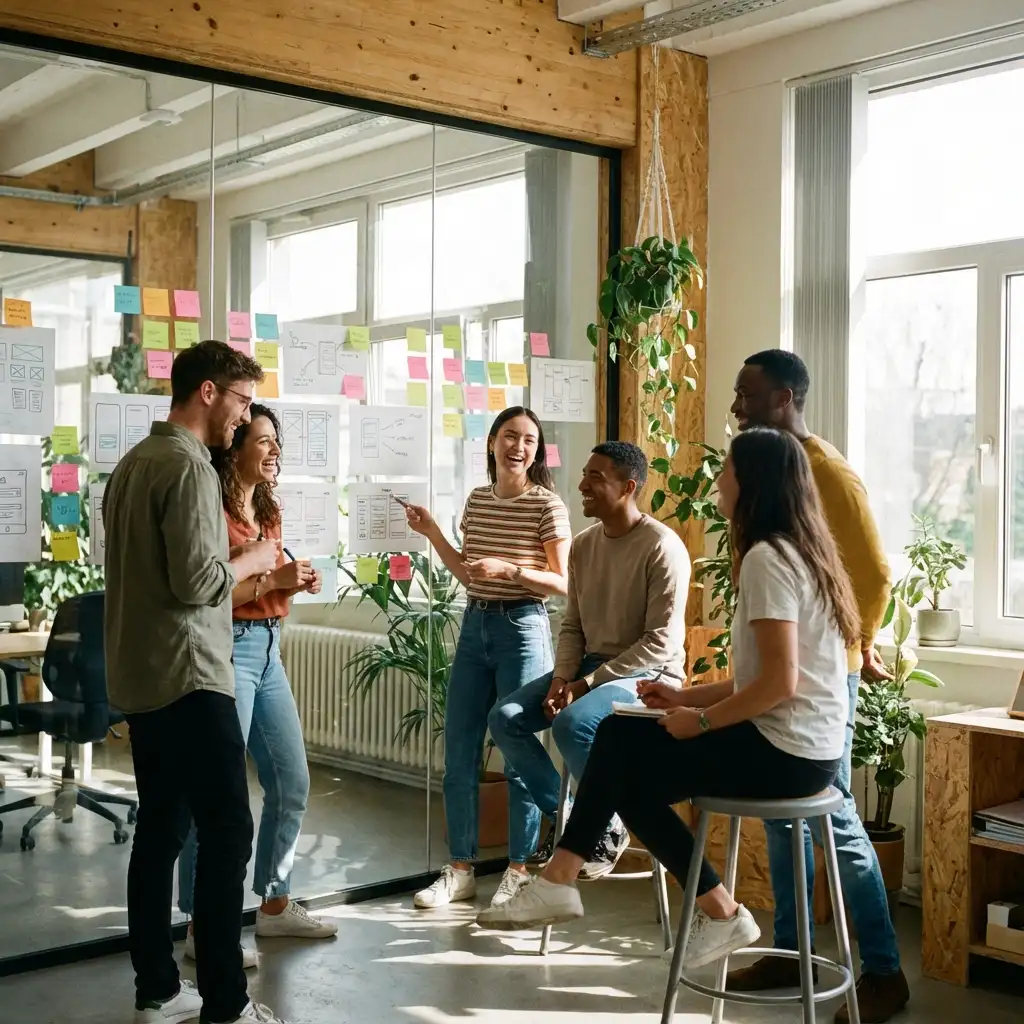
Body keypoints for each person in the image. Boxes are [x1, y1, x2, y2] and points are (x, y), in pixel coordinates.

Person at [477, 427, 857, 979]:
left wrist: (699, 721)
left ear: (751, 484)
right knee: (620, 757)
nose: (718, 481)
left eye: (726, 470)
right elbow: (759, 676)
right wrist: (685, 696)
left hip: (787, 753)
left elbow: (779, 684)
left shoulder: (766, 560)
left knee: (617, 752)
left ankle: (573, 880)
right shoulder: (797, 553)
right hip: (799, 747)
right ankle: (687, 904)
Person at [104, 341, 288, 1024]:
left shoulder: (133, 465)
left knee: (161, 832)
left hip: (144, 675)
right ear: (208, 392)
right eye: (241, 403)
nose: (243, 422)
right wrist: (258, 558)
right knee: (228, 831)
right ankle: (226, 1005)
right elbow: (197, 583)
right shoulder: (185, 468)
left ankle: (156, 989)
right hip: (189, 675)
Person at [726, 349, 908, 1023]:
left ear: (786, 398)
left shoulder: (826, 471)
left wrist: (850, 642)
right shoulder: (765, 467)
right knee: (784, 829)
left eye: (749, 395)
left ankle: (885, 971)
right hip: (781, 677)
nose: (737, 406)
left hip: (824, 682)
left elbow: (874, 573)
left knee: (836, 826)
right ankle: (788, 953)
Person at [176, 404, 337, 968]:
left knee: (292, 781)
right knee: (217, 793)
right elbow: (208, 596)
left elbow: (266, 586)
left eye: (275, 441)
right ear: (236, 449)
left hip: (269, 650)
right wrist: (272, 581)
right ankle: (201, 923)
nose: (273, 451)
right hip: (230, 649)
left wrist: (290, 584)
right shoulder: (213, 510)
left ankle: (274, 907)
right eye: (263, 441)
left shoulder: (267, 508)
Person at [486, 440, 690, 879]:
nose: (582, 485)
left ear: (628, 486)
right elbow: (573, 625)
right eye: (585, 474)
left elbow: (660, 641)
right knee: (506, 718)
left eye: (595, 477)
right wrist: (563, 677)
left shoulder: (662, 547)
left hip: (648, 672)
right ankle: (579, 819)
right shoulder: (583, 545)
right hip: (590, 668)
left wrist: (586, 684)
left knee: (573, 723)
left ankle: (605, 824)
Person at [403, 407, 571, 910]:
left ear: (536, 452)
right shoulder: (476, 501)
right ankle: (460, 869)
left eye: (529, 440)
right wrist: (434, 533)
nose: (519, 447)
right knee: (459, 749)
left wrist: (512, 570)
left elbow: (563, 583)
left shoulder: (548, 505)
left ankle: (519, 871)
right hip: (474, 624)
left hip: (523, 626)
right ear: (493, 443)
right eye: (510, 437)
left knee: (514, 747)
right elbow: (468, 572)